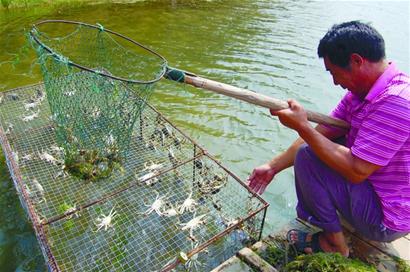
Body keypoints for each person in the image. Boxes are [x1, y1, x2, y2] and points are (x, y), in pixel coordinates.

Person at [247, 21, 410, 257]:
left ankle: (334, 243)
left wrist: (302, 127)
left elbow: (357, 170)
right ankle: (337, 222)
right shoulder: (360, 95)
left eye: (334, 72)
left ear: (357, 61)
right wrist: (273, 166)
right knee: (325, 143)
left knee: (308, 156)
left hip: (387, 219)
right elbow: (322, 131)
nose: (335, 82)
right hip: (378, 192)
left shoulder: (395, 102)